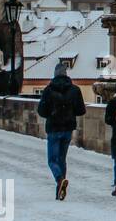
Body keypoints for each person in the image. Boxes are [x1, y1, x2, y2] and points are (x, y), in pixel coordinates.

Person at [37, 61, 86, 200]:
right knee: (62, 159)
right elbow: (81, 110)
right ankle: (60, 188)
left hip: (53, 128)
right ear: (65, 74)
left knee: (52, 160)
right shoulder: (75, 90)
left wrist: (52, 113)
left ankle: (59, 180)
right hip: (68, 129)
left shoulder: (48, 90)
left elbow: (41, 111)